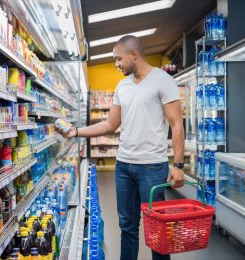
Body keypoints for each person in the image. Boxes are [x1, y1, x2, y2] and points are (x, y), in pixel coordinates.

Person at [56, 35, 185, 260]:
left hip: (152, 167)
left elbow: (176, 125)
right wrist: (76, 132)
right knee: (127, 226)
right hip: (124, 166)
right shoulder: (122, 86)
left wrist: (179, 165)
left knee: (156, 227)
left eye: (118, 59)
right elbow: (110, 124)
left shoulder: (162, 80)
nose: (116, 64)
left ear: (134, 54)